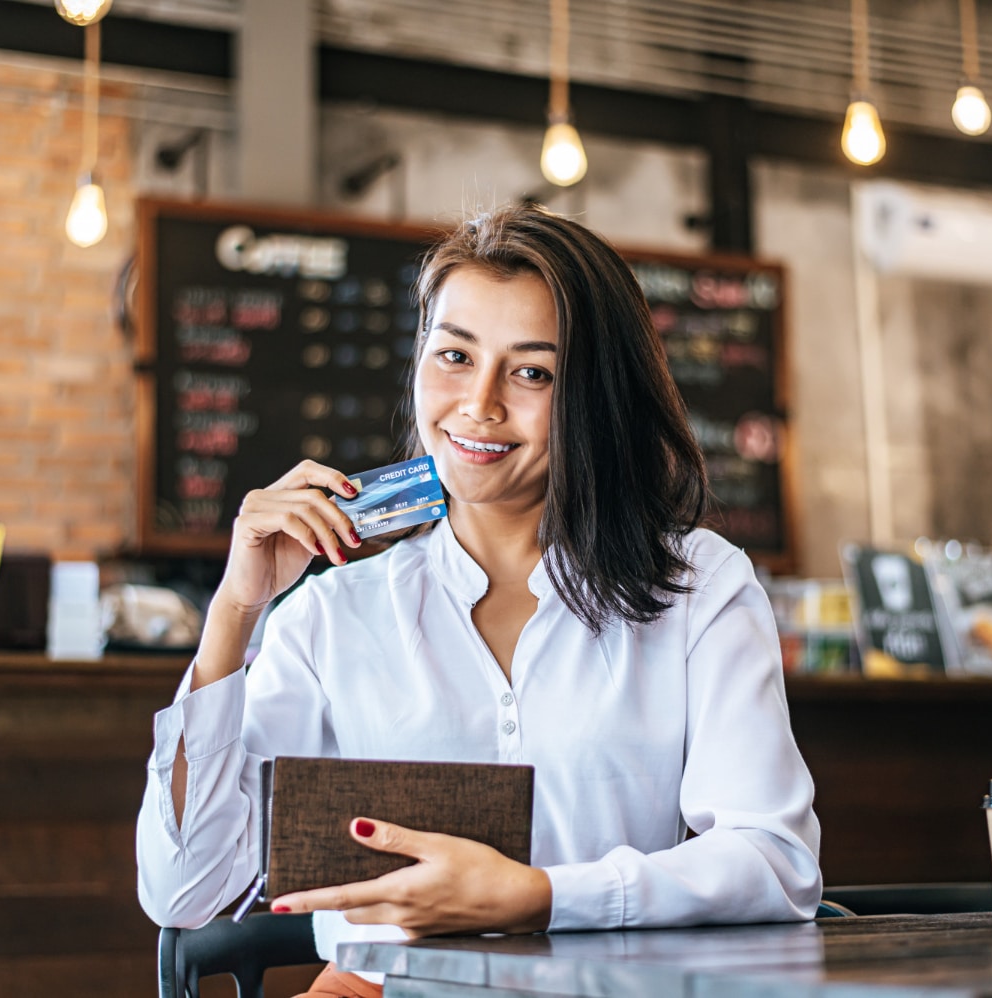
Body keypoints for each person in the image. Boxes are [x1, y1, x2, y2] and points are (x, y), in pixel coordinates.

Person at [137, 203, 822, 998]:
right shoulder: (333, 616)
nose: (480, 404)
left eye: (533, 371)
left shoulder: (699, 589)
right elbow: (185, 890)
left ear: (595, 395)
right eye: (454, 356)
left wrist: (541, 897)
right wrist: (233, 611)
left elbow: (774, 864)